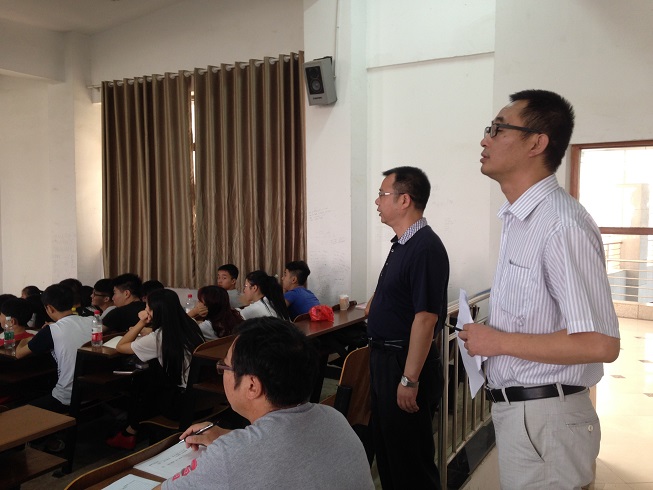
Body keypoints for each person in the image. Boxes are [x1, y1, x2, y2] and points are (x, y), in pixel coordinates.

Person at [459, 89, 621, 489]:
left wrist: (497, 342)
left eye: (498, 129)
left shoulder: (561, 225)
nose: (485, 139)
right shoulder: (520, 219)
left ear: (536, 143)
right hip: (527, 417)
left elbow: (601, 343)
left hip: (547, 419)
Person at [154, 317, 375, 490]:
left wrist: (229, 448)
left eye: (224, 367)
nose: (222, 373)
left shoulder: (229, 457)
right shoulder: (333, 417)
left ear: (252, 386)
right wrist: (228, 438)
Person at [366, 166, 449, 489]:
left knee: (410, 463)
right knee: (389, 454)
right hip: (386, 360)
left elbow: (426, 318)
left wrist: (409, 379)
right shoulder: (403, 243)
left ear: (404, 200)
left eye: (382, 194)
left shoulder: (424, 247)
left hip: (403, 363)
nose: (377, 201)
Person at [107, 288, 206, 449]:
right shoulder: (191, 324)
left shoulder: (159, 337)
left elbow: (121, 346)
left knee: (145, 385)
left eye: (147, 307)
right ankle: (131, 430)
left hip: (182, 406)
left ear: (155, 312)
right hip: (203, 399)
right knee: (152, 378)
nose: (145, 309)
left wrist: (141, 322)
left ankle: (130, 430)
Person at [15, 284, 94, 413]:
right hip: (94, 390)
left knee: (19, 412)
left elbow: (19, 354)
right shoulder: (93, 320)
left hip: (67, 397)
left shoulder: (51, 330)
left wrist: (26, 337)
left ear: (50, 308)